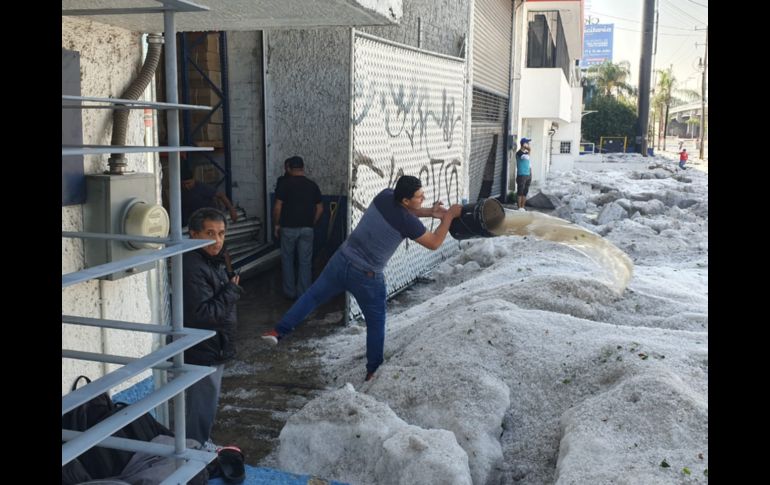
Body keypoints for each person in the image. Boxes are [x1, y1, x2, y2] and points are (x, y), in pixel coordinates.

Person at [261, 175, 463, 381]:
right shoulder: (407, 222)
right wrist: (448, 216)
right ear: (405, 200)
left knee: (312, 296)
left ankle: (278, 332)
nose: (424, 198)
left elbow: (404, 211)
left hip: (341, 260)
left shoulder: (385, 196)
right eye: (420, 197)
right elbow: (434, 242)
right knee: (376, 323)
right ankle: (373, 371)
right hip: (367, 277)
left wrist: (429, 212)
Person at [182, 208, 242, 445]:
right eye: (210, 233)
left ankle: (198, 445)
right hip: (203, 350)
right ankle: (195, 450)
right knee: (201, 406)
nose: (217, 240)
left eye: (221, 233)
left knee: (205, 403)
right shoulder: (193, 266)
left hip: (212, 346)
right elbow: (203, 315)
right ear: (193, 234)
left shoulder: (209, 260)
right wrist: (231, 291)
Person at [273, 156, 323, 300]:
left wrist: (276, 224)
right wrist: (312, 222)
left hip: (288, 228)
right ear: (302, 168)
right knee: (305, 262)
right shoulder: (312, 185)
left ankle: (290, 292)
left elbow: (277, 207)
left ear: (289, 168)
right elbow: (320, 208)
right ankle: (304, 293)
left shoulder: (284, 185)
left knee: (287, 260)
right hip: (307, 229)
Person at [515, 137, 532, 211]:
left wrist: (530, 173)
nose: (528, 144)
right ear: (523, 144)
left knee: (525, 192)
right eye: (527, 143)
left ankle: (522, 207)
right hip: (521, 174)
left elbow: (529, 164)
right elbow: (526, 158)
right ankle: (519, 208)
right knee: (520, 192)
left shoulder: (526, 153)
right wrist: (530, 150)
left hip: (528, 174)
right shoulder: (519, 153)